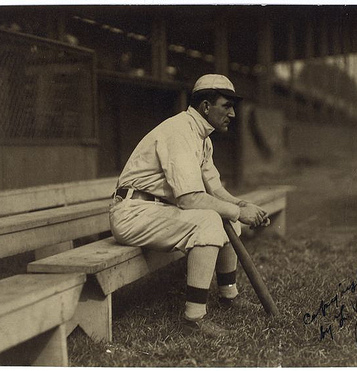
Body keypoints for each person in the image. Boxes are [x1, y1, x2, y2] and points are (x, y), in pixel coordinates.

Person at [109, 74, 270, 337]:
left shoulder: (203, 137)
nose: (232, 113)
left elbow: (215, 190)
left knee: (224, 216)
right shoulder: (179, 131)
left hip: (157, 210)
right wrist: (240, 213)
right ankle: (193, 318)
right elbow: (189, 199)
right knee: (209, 220)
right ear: (206, 107)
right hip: (133, 212)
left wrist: (242, 205)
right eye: (226, 106)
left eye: (233, 107)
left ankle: (229, 296)